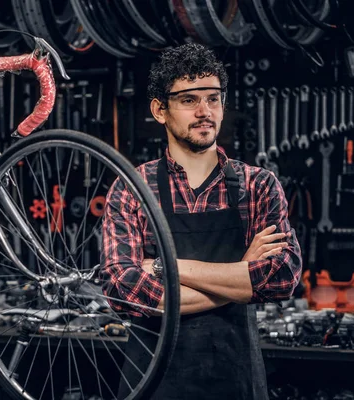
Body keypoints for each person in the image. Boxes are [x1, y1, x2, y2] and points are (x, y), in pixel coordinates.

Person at [101, 43, 303, 400]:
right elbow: (124, 290)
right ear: (159, 110)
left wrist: (166, 268)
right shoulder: (133, 187)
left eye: (213, 98)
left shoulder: (258, 185)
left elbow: (282, 276)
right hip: (154, 387)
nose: (204, 111)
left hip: (236, 383)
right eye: (189, 100)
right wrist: (241, 276)